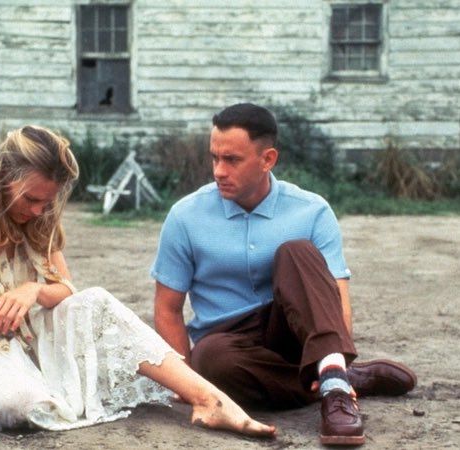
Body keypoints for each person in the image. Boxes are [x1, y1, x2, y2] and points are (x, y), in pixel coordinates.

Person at [0, 125, 276, 448]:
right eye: (30, 199)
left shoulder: (41, 210)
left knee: (97, 301)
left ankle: (208, 399)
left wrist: (32, 291)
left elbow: (65, 288)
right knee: (25, 402)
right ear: (3, 178)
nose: (39, 210)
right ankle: (25, 386)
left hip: (19, 337)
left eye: (47, 201)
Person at [151, 103, 417, 446]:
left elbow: (336, 297)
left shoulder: (312, 210)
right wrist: (190, 386)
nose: (218, 171)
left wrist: (336, 346)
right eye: (214, 158)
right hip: (230, 345)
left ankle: (335, 387)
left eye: (231, 160)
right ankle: (338, 377)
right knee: (209, 360)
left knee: (296, 251)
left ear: (268, 159)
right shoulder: (185, 216)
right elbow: (167, 308)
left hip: (295, 331)